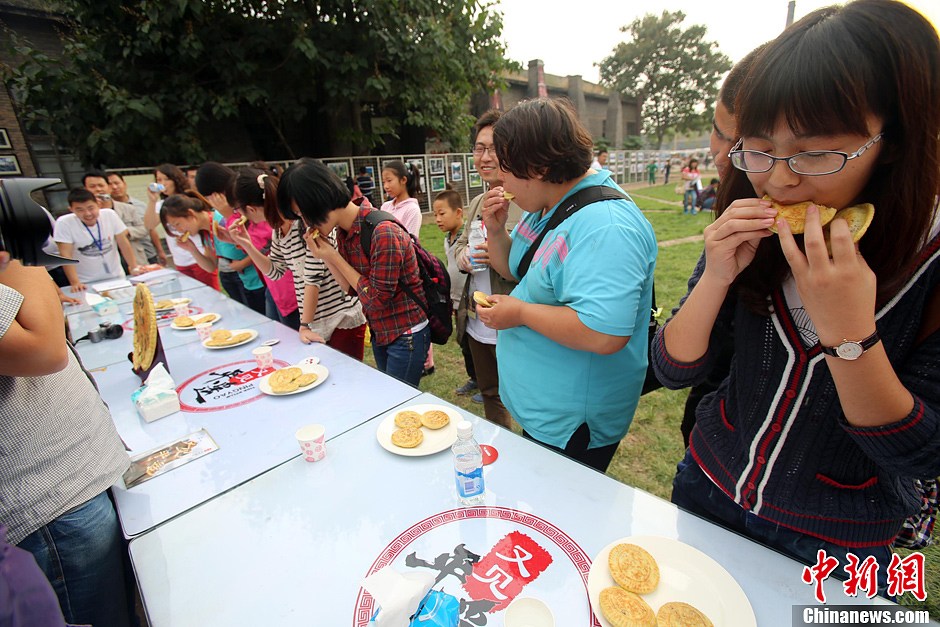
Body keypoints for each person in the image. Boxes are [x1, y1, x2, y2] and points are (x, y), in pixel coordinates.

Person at [654, 0, 940, 593]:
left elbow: (920, 457)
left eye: (814, 152)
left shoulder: (930, 260)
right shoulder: (746, 212)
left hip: (840, 545)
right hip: (709, 486)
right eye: (758, 147)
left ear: (889, 141)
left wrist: (849, 336)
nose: (780, 178)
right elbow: (672, 368)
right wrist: (715, 276)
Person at [475, 98, 657, 472]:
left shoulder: (606, 227)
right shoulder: (548, 203)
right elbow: (515, 267)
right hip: (546, 411)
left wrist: (521, 313)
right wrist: (495, 228)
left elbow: (603, 333)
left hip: (572, 422)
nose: (499, 180)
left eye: (507, 168)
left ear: (540, 167)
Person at [0, 259, 133, 626]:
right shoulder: (13, 264)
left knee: (124, 604)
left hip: (73, 481)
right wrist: (17, 259)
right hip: (48, 505)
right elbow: (44, 349)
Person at [278, 158, 430, 387]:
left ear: (319, 200)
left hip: (405, 333)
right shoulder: (343, 230)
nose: (305, 223)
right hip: (381, 331)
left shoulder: (382, 232)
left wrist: (334, 257)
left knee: (397, 402)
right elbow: (351, 289)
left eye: (302, 214)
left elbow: (376, 299)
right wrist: (327, 256)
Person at [229, 167, 367, 358]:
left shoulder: (305, 223)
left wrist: (304, 324)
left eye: (237, 210)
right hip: (316, 320)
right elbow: (275, 271)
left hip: (340, 317)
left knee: (351, 379)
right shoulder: (278, 230)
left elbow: (313, 277)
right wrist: (248, 245)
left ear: (250, 209)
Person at [452, 109, 522, 425]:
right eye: (479, 148)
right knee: (491, 393)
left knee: (523, 397)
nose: (485, 156)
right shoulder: (478, 202)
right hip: (478, 321)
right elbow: (458, 246)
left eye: (493, 148)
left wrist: (501, 248)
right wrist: (464, 256)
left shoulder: (527, 201)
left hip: (515, 322)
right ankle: (501, 449)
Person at [195, 162, 267, 314]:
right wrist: (232, 239)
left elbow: (262, 243)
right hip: (250, 280)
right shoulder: (227, 212)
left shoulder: (240, 210)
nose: (210, 201)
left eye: (211, 196)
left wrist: (229, 214)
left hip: (261, 280)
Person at [433, 189, 478, 401]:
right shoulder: (447, 238)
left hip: (469, 300)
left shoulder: (466, 238)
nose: (437, 219)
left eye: (442, 213)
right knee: (463, 341)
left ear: (459, 212)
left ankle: (490, 383)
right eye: (435, 214)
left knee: (475, 342)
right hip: (454, 299)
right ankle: (474, 378)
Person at [144, 163, 219, 289]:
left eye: (166, 179)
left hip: (200, 258)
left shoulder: (189, 200)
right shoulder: (162, 205)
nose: (162, 183)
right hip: (181, 260)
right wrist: (152, 201)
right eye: (158, 180)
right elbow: (149, 225)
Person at [54, 188, 140, 291]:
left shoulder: (110, 215)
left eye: (91, 208)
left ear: (98, 204)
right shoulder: (64, 223)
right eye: (80, 210)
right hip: (86, 282)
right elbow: (65, 255)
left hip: (117, 277)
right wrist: (75, 282)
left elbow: (123, 243)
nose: (88, 214)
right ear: (71, 209)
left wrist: (134, 267)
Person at [83, 169, 155, 271]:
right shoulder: (85, 214)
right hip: (105, 263)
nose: (98, 189)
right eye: (92, 187)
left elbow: (144, 229)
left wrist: (125, 232)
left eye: (101, 185)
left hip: (133, 257)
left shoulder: (128, 208)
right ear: (85, 189)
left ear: (108, 187)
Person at [108, 171, 165, 264]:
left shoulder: (140, 205)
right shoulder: (108, 210)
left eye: (117, 183)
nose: (114, 187)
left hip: (148, 253)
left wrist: (160, 251)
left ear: (124, 184)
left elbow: (151, 229)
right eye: (110, 184)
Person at [380, 160, 422, 239]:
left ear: (403, 180)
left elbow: (410, 242)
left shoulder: (412, 209)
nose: (386, 186)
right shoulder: (385, 206)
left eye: (389, 181)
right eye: (384, 182)